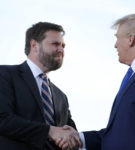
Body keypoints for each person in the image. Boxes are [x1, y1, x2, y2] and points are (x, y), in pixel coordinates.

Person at [56, 13, 135, 150]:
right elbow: (122, 134)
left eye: (117, 38)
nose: (115, 45)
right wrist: (79, 138)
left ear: (131, 40)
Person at [0, 22, 81, 150]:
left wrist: (71, 136)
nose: (61, 50)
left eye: (63, 46)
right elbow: (2, 119)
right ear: (34, 45)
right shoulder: (5, 75)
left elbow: (71, 137)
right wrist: (49, 131)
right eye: (55, 44)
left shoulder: (61, 97)